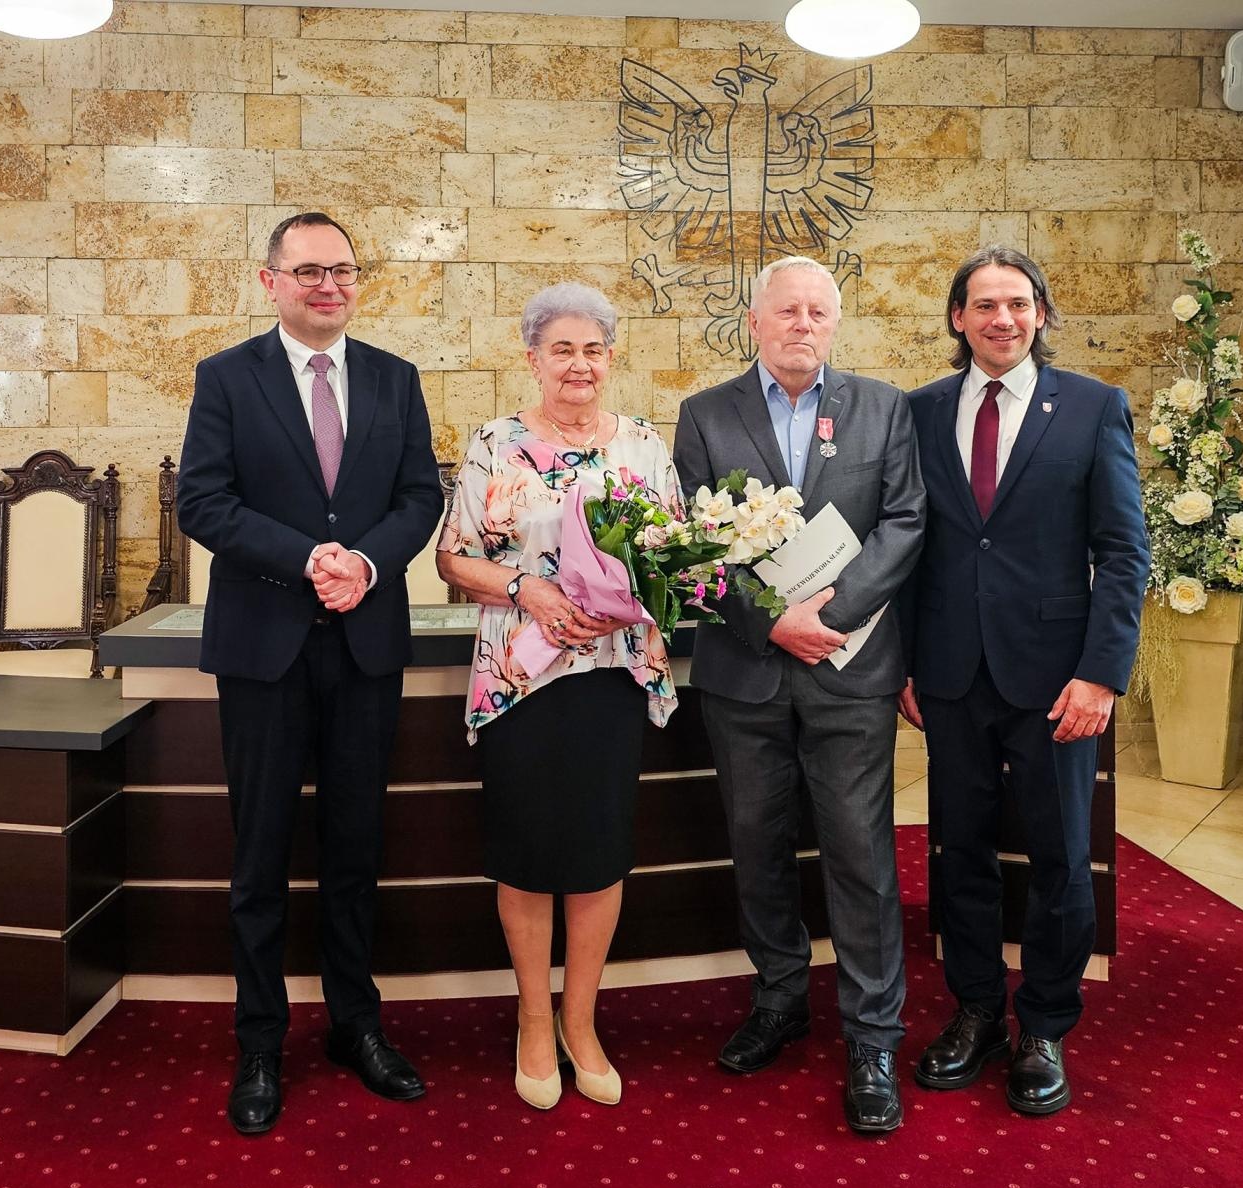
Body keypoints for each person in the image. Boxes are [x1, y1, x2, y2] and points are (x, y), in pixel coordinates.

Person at [177, 212, 444, 1135]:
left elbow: (421, 497)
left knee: (355, 846)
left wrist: (364, 565)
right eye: (307, 271)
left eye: (342, 271)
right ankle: (258, 1042)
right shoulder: (226, 378)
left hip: (365, 641)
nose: (327, 285)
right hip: (263, 643)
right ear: (270, 282)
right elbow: (202, 501)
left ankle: (354, 1026)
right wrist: (312, 559)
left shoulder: (394, 379)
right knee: (258, 853)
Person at [672, 256, 926, 1135]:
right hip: (745, 673)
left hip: (850, 669)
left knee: (860, 853)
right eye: (787, 311)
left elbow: (903, 520)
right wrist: (769, 622)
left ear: (836, 322)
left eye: (818, 312)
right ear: (754, 320)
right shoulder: (704, 415)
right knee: (757, 844)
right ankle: (779, 999)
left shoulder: (882, 407)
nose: (802, 325)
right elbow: (689, 546)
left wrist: (834, 610)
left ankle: (872, 1037)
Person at [900, 247, 1148, 1116]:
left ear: (1040, 312)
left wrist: (1099, 675)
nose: (1000, 319)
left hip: (1055, 682)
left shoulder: (1091, 407)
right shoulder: (920, 413)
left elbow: (1122, 553)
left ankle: (1043, 1022)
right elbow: (906, 547)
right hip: (950, 677)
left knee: (1058, 858)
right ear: (957, 319)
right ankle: (975, 1012)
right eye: (982, 305)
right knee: (957, 851)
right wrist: (902, 664)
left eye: (1016, 303)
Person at [436, 283, 680, 1110]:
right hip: (522, 679)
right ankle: (533, 1022)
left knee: (599, 854)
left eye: (594, 350)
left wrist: (641, 590)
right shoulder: (494, 444)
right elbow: (452, 558)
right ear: (532, 357)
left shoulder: (644, 445)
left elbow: (675, 557)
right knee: (526, 853)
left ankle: (583, 1022)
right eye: (562, 350)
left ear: (611, 358)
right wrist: (527, 591)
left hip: (609, 678)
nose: (579, 366)